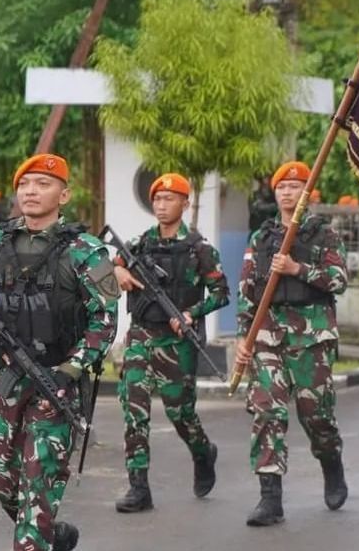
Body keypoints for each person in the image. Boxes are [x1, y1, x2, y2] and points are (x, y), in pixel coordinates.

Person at [0, 154, 119, 551]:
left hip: (58, 385)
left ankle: (38, 530)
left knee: (39, 482)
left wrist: (71, 370)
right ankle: (52, 531)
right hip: (8, 379)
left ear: (64, 194)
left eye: (43, 184)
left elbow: (105, 321)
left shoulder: (86, 251)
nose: (31, 191)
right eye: (25, 185)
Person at [233, 161, 349, 527]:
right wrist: (244, 336)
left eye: (295, 186)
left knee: (316, 415)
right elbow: (248, 289)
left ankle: (331, 463)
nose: (287, 192)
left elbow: (339, 279)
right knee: (267, 411)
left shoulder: (323, 234)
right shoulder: (261, 238)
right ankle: (271, 498)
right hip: (268, 334)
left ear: (307, 193)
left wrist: (298, 269)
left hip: (311, 334)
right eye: (282, 187)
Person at [112, 173, 229, 513]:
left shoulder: (200, 249)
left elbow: (222, 293)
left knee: (181, 413)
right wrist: (117, 271)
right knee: (134, 410)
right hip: (140, 336)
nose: (162, 205)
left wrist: (192, 313)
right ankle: (139, 488)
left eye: (169, 199)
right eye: (158, 199)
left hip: (176, 342)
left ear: (184, 203)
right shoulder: (139, 243)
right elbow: (110, 266)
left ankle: (202, 452)